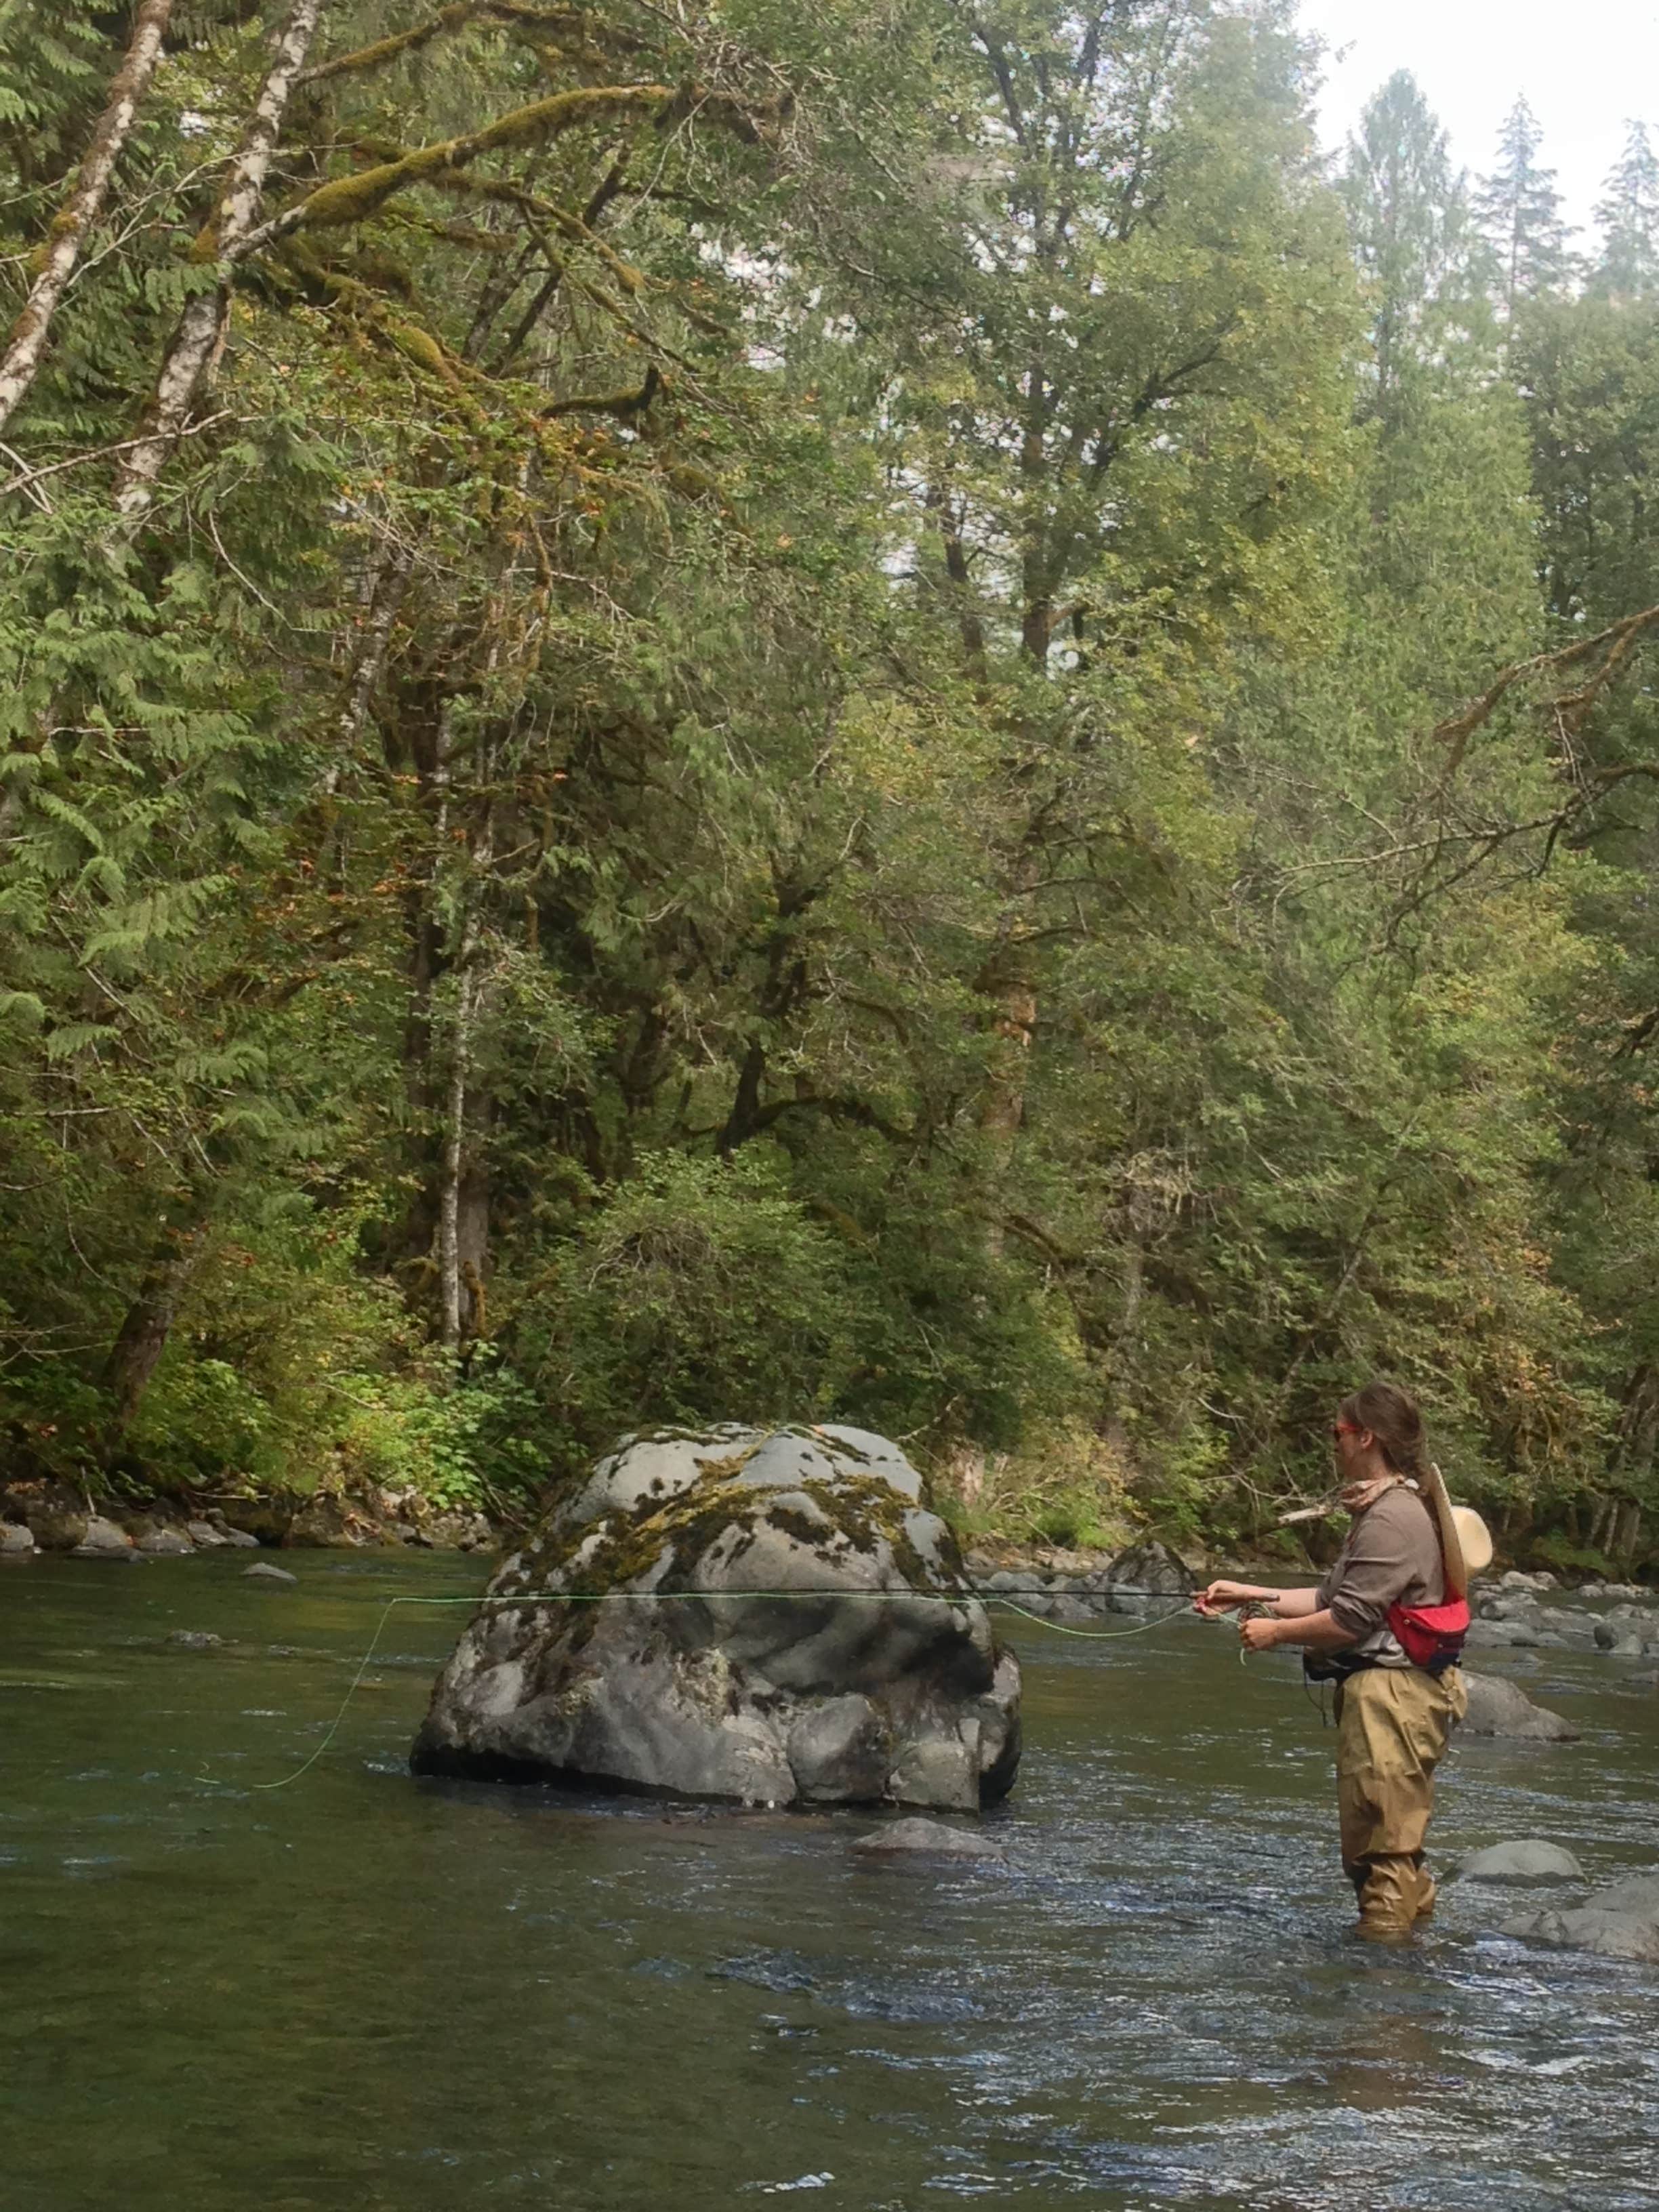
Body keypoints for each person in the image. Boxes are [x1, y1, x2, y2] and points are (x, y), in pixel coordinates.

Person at [1195, 1382, 1479, 1940]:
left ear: (1366, 1437)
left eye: (1338, 1433)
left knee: (1383, 1852)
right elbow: (1331, 1601)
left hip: (1393, 1701)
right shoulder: (1385, 1508)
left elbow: (1348, 1620)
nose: (1334, 1443)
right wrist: (1247, 1595)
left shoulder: (1392, 1518)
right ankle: (1412, 1956)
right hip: (1387, 1698)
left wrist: (1274, 1634)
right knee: (1385, 1849)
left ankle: (1382, 1994)